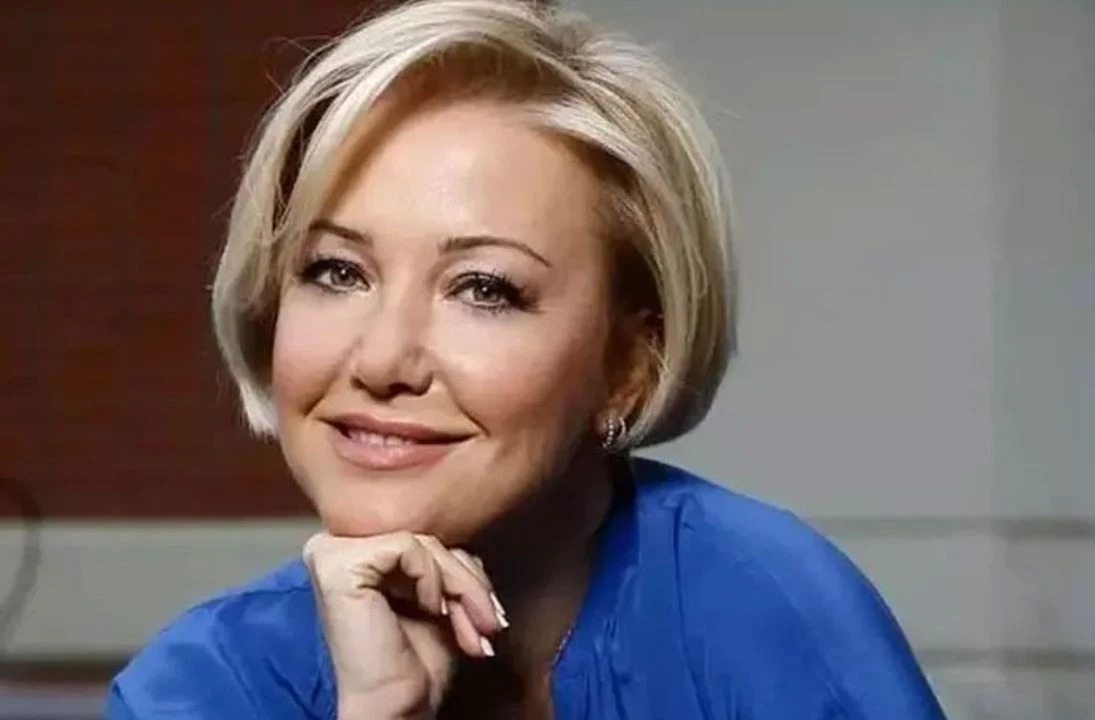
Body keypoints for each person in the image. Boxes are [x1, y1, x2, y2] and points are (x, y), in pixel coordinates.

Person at [106, 0, 946, 717]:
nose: (382, 359)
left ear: (630, 364)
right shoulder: (202, 689)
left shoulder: (764, 610)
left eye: (484, 289)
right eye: (337, 271)